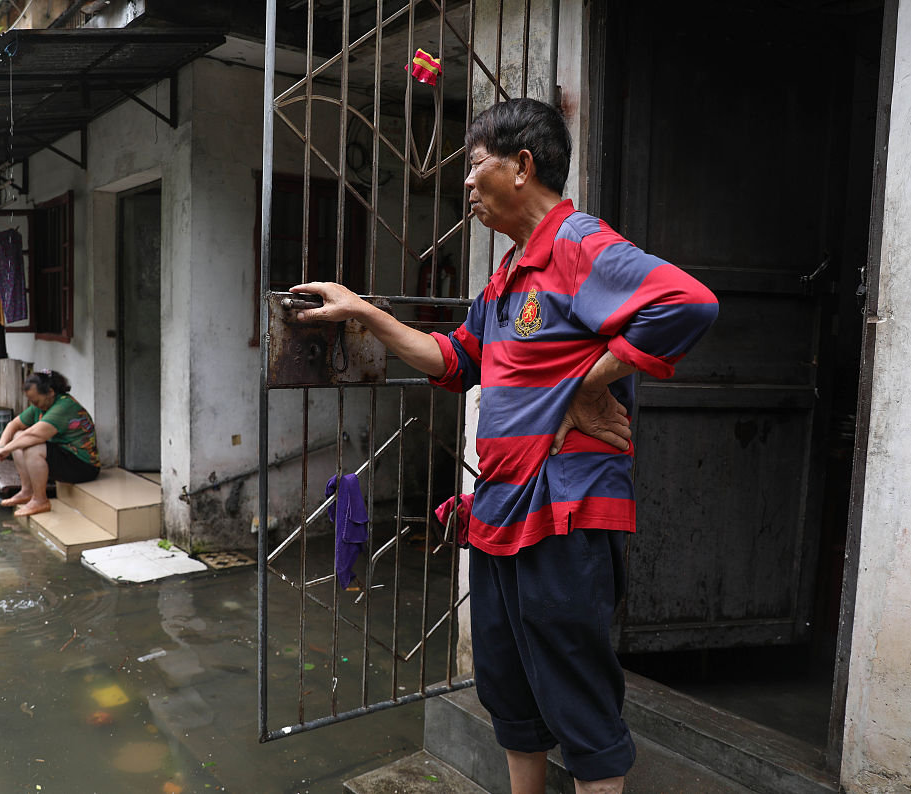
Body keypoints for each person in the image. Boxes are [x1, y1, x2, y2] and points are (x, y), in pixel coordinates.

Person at [291, 98, 718, 794]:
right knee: (509, 692)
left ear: (522, 166)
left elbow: (687, 303)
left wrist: (583, 387)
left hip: (563, 508)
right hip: (499, 509)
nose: (465, 181)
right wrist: (366, 312)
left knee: (577, 699)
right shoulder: (508, 273)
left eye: (474, 163)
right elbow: (456, 359)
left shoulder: (577, 243)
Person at [0, 369, 100, 517]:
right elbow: (13, 425)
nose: (34, 404)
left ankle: (40, 500)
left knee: (32, 446)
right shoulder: (40, 406)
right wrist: (1, 446)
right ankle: (27, 491)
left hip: (84, 467)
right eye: (31, 401)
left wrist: (7, 449)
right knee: (18, 436)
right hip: (64, 458)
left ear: (50, 392)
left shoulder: (64, 406)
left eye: (36, 400)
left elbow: (34, 435)